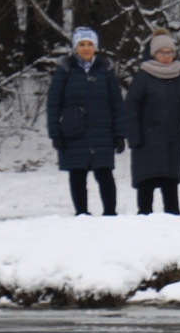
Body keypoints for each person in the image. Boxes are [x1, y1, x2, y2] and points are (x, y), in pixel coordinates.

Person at [46, 27, 126, 216]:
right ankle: (81, 213)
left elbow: (117, 104)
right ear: (75, 48)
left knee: (104, 173)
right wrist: (55, 133)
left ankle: (110, 213)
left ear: (96, 47)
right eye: (81, 44)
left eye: (90, 44)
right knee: (77, 174)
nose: (86, 48)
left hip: (102, 133)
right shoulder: (64, 71)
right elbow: (53, 104)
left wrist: (119, 133)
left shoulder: (105, 71)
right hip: (74, 132)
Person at [124, 32, 180, 215]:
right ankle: (144, 220)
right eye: (161, 53)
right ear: (154, 54)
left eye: (169, 52)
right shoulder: (143, 77)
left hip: (172, 139)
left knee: (170, 183)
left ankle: (173, 221)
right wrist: (134, 136)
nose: (166, 56)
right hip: (147, 139)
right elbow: (131, 107)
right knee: (146, 183)